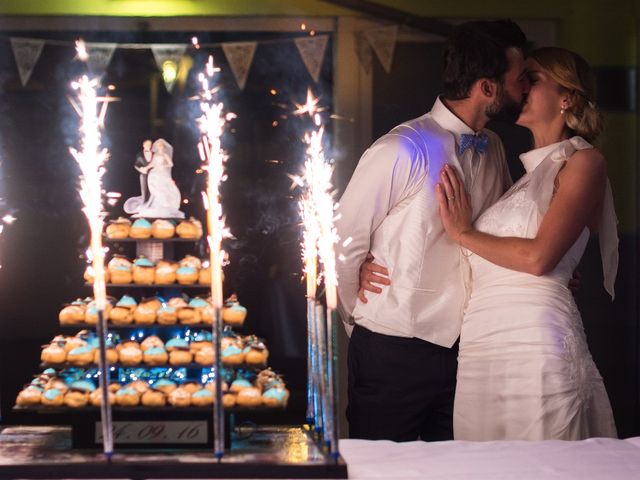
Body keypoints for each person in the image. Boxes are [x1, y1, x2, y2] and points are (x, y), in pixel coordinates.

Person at [335, 20, 528, 441]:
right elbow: (342, 238)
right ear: (488, 88)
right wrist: (362, 316)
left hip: (469, 351)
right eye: (519, 79)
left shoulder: (493, 146)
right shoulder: (401, 147)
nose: (526, 88)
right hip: (393, 349)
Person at [434, 47, 618, 440]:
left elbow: (538, 258)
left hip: (533, 340)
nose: (519, 88)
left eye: (532, 80)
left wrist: (464, 233)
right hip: (482, 344)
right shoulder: (518, 179)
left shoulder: (583, 162)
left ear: (566, 97)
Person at [124, 138, 185, 219]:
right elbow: (152, 164)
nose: (160, 148)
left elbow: (170, 164)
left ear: (163, 148)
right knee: (154, 188)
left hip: (162, 172)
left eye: (161, 146)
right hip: (154, 173)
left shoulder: (164, 155)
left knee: (162, 188)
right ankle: (156, 203)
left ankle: (163, 204)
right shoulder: (155, 155)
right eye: (159, 146)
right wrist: (146, 168)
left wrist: (163, 166)